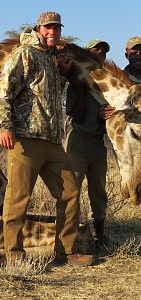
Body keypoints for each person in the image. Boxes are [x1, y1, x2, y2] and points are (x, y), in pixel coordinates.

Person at [0, 11, 94, 267]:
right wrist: (4, 127)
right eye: (48, 28)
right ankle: (14, 256)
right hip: (26, 140)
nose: (53, 32)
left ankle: (66, 252)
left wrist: (63, 71)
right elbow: (0, 95)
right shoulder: (24, 54)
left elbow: (49, 99)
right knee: (18, 199)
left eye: (56, 29)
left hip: (53, 142)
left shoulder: (51, 60)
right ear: (38, 28)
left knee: (70, 193)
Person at [65, 39, 115, 248]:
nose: (100, 55)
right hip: (79, 140)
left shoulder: (109, 86)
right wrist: (98, 113)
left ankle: (100, 235)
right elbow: (73, 113)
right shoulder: (76, 83)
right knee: (71, 190)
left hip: (99, 143)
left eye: (103, 53)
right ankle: (71, 238)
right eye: (96, 51)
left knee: (99, 191)